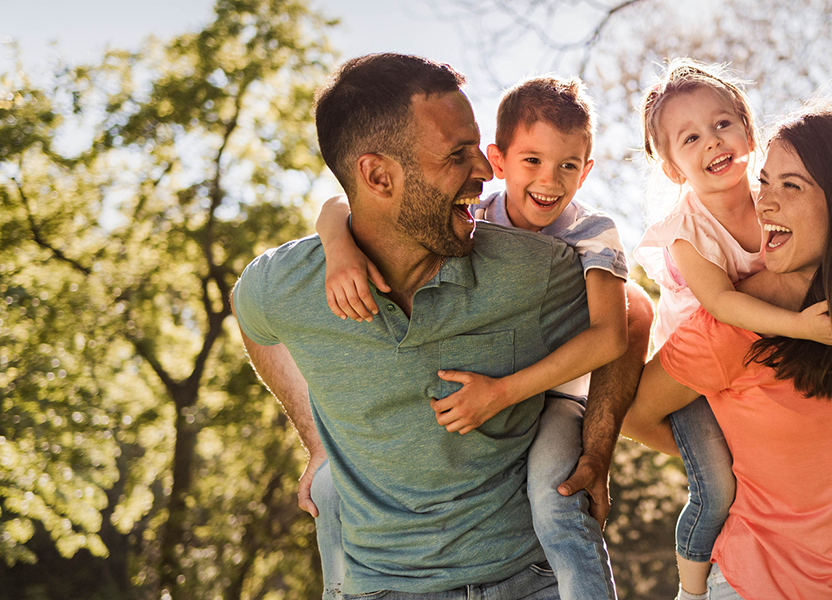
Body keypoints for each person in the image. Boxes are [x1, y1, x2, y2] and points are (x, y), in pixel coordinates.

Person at [232, 53, 647, 600]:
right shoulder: (287, 284)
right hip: (381, 588)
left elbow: (631, 316)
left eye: (477, 148)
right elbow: (251, 316)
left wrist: (596, 450)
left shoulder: (534, 265)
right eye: (457, 155)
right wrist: (317, 441)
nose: (485, 171)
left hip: (528, 579)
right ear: (378, 176)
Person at [622, 100, 832, 600]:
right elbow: (635, 416)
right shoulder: (729, 329)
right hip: (755, 582)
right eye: (764, 182)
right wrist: (728, 466)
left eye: (790, 186)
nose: (764, 203)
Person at [631, 59, 832, 598]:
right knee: (717, 488)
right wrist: (800, 326)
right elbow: (722, 304)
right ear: (673, 168)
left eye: (722, 123)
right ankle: (692, 589)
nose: (712, 141)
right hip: (690, 379)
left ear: (748, 131)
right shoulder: (685, 231)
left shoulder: (774, 200)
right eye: (690, 138)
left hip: (749, 361)